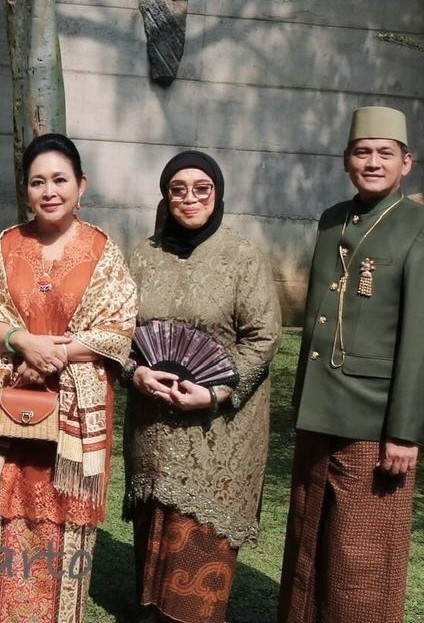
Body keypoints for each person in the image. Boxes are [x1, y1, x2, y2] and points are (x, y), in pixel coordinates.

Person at [0, 133, 136, 623]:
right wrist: (22, 342)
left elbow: (117, 330)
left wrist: (47, 354)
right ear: (26, 189)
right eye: (37, 182)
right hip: (14, 405)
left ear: (81, 185)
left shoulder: (102, 251)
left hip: (76, 414)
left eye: (60, 180)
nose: (49, 191)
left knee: (66, 514)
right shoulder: (6, 245)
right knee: (11, 512)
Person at [120, 150, 281, 623]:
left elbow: (264, 335)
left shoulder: (241, 257)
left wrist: (215, 393)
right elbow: (116, 329)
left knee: (200, 535)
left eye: (202, 189)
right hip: (153, 422)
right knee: (156, 525)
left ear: (218, 193)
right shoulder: (142, 256)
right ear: (166, 196)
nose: (190, 198)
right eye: (178, 189)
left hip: (218, 431)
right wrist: (135, 373)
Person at [278, 106, 422, 623]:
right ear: (346, 160)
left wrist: (404, 432)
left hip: (373, 419)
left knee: (361, 555)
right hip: (319, 409)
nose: (373, 162)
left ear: (406, 163)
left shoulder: (417, 225)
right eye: (363, 152)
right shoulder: (331, 218)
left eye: (386, 153)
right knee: (308, 539)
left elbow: (419, 335)